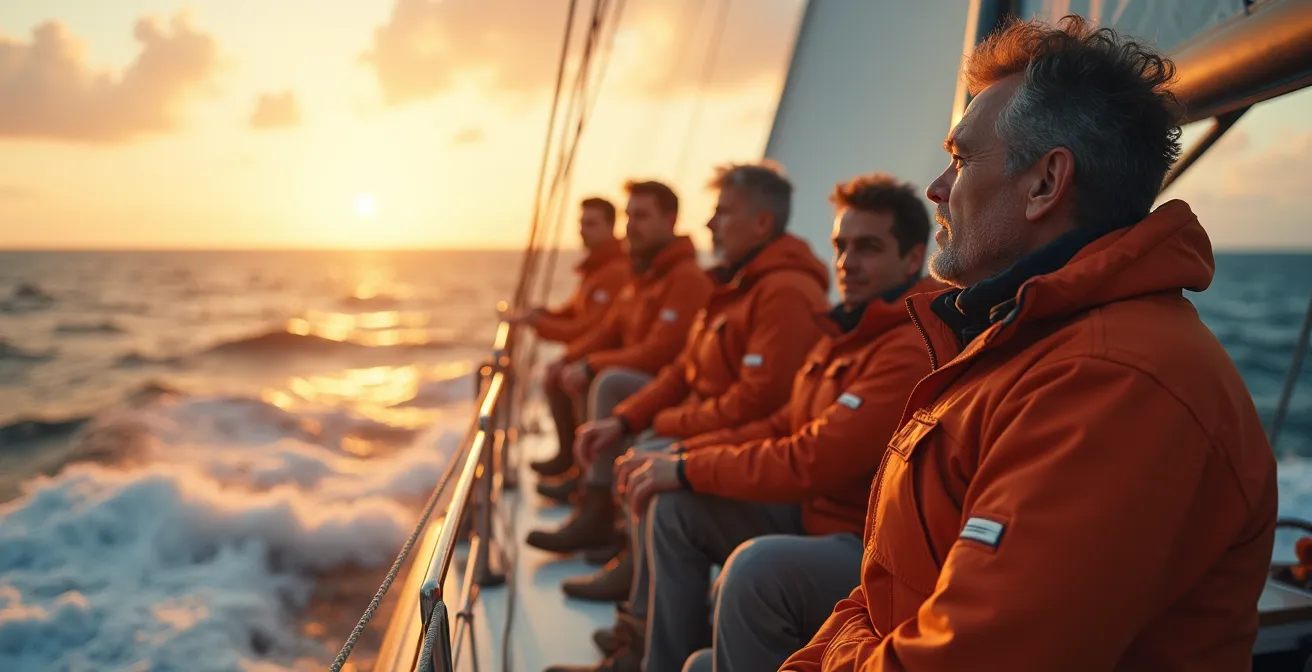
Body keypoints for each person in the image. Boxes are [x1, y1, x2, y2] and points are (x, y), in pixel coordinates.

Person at [783, 15, 1277, 671]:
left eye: (959, 160)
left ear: (1046, 183)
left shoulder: (1113, 383)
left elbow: (975, 658)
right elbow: (884, 589)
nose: (935, 188)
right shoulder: (1016, 342)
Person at [609, 173, 942, 672]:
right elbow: (781, 422)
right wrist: (680, 459)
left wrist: (685, 465)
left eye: (868, 248)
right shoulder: (848, 330)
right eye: (841, 246)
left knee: (753, 570)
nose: (848, 263)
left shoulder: (908, 347)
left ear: (913, 258)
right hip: (811, 514)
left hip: (866, 544)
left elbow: (812, 458)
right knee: (674, 507)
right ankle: (655, 658)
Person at [543, 160, 831, 671]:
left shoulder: (784, 292)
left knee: (654, 463)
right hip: (713, 425)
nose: (711, 224)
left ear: (761, 223)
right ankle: (641, 627)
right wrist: (627, 420)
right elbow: (680, 370)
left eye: (723, 212)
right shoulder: (735, 285)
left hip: (761, 462)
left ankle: (642, 630)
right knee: (643, 443)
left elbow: (757, 403)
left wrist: (667, 433)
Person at [525, 180, 712, 549]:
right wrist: (570, 357)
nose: (630, 225)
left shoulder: (685, 278)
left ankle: (596, 509)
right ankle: (586, 486)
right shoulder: (643, 277)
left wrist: (591, 365)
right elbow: (607, 330)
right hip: (644, 384)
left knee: (607, 381)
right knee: (590, 374)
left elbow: (661, 352)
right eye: (628, 216)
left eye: (642, 216)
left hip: (671, 392)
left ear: (671, 219)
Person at [511, 197, 630, 477]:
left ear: (612, 226)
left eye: (591, 224)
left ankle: (575, 465)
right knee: (558, 373)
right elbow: (573, 312)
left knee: (561, 375)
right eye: (581, 223)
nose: (582, 230)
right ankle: (571, 460)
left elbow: (588, 329)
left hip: (609, 358)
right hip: (599, 354)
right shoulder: (597, 269)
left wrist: (540, 324)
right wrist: (542, 314)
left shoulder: (614, 272)